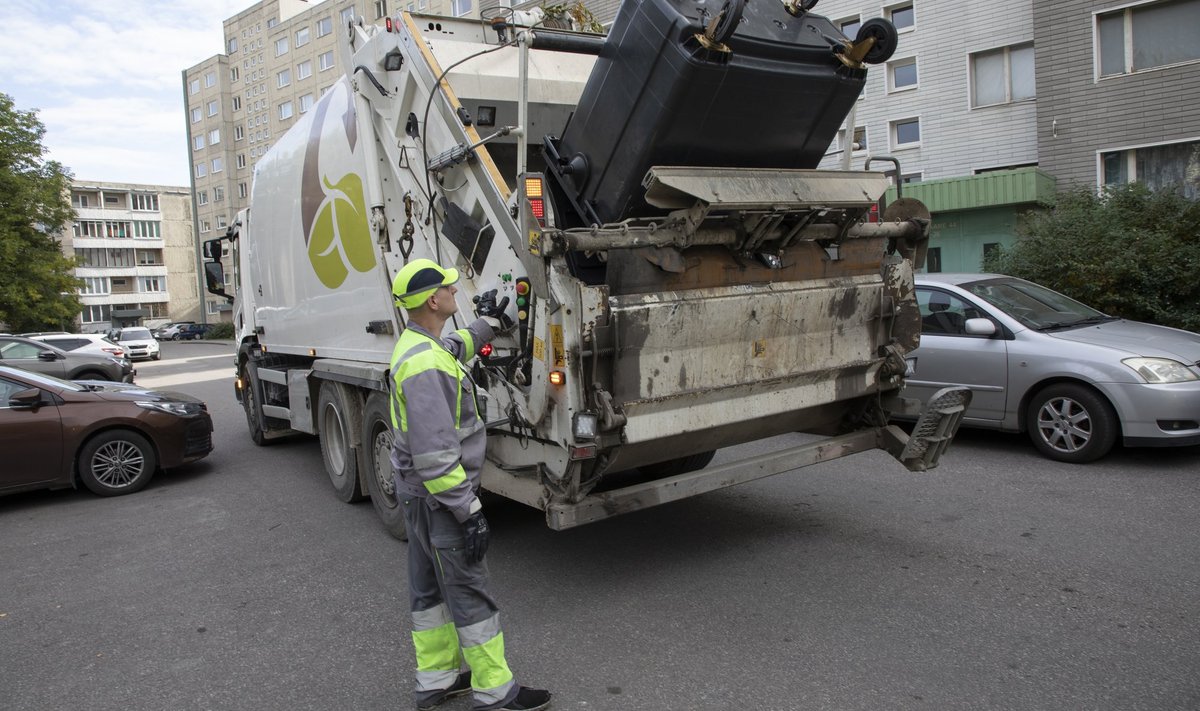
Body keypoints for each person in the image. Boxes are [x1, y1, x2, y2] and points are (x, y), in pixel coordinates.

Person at [388, 258, 552, 711]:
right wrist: (469, 510)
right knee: (468, 591)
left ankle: (436, 680)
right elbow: (437, 456)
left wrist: (487, 325)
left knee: (427, 592)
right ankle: (497, 691)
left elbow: (455, 347)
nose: (455, 295)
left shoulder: (420, 346)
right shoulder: (425, 367)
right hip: (440, 499)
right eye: (449, 290)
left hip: (417, 497)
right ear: (432, 300)